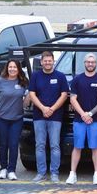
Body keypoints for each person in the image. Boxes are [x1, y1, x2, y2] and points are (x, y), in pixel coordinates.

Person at [66, 53, 97, 185]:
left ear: (96, 63)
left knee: (95, 147)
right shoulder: (77, 80)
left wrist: (90, 114)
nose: (90, 64)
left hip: (95, 120)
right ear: (84, 63)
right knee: (77, 147)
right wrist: (83, 114)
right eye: (88, 62)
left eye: (93, 62)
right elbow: (72, 98)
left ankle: (96, 174)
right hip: (79, 120)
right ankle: (72, 174)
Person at [28, 51, 70, 183]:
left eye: (49, 60)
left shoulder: (60, 76)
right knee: (39, 145)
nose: (47, 63)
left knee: (54, 145)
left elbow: (64, 95)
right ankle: (41, 173)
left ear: (53, 61)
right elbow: (32, 94)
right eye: (45, 60)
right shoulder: (35, 76)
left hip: (55, 116)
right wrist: (43, 108)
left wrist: (52, 109)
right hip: (39, 116)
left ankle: (54, 173)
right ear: (41, 62)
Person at [0, 59, 28, 181]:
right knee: (3, 144)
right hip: (2, 119)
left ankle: (11, 170)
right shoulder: (0, 81)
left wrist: (29, 96)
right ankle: (3, 169)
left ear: (18, 69)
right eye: (10, 67)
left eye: (15, 67)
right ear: (7, 68)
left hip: (17, 119)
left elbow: (25, 104)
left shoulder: (23, 82)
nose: (12, 69)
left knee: (14, 144)